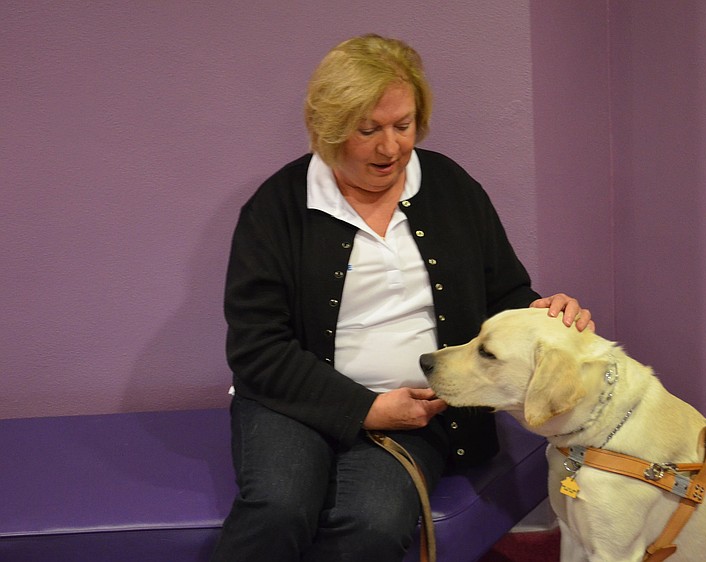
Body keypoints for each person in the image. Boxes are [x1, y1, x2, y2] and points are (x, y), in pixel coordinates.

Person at [212, 33, 594, 562]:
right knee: (279, 508)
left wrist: (545, 314)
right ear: (329, 130)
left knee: (374, 522)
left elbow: (504, 292)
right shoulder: (276, 208)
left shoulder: (451, 188)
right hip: (291, 404)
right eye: (367, 130)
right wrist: (363, 408)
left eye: (403, 125)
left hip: (417, 408)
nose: (390, 147)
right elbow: (256, 349)